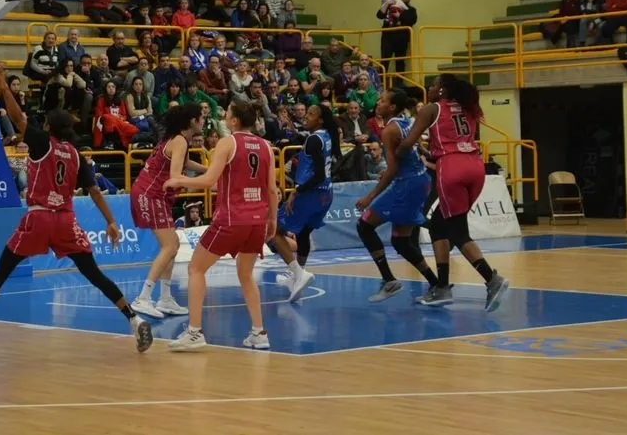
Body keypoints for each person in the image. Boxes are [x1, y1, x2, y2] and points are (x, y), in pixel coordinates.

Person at [0, 108, 153, 353]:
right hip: (65, 220)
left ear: (47, 127)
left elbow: (17, 117)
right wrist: (111, 221)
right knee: (94, 274)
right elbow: (94, 191)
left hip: (39, 217)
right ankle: (133, 319)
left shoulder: (43, 142)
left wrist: (2, 87)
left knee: (1, 272)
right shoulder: (75, 154)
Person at [164, 99, 278, 351]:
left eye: (227, 113)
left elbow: (208, 180)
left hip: (231, 218)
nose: (224, 116)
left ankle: (194, 332)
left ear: (234, 120)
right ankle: (259, 333)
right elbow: (272, 189)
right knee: (246, 275)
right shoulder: (266, 146)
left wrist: (179, 180)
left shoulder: (228, 142)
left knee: (195, 269)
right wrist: (273, 220)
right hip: (257, 219)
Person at [397, 74, 510, 311]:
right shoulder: (470, 107)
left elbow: (407, 143)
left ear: (442, 90)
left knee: (458, 232)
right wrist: (429, 153)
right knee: (440, 225)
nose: (431, 87)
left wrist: (396, 152)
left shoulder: (431, 109)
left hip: (452, 168)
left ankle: (492, 279)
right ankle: (442, 287)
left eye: (435, 84)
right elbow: (454, 139)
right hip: (475, 166)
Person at [354, 89, 440, 302]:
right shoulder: (405, 122)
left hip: (407, 185)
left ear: (391, 107)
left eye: (382, 100)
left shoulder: (390, 130)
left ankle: (390, 280)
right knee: (401, 241)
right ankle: (437, 284)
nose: (377, 102)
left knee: (364, 226)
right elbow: (414, 150)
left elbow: (392, 170)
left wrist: (370, 196)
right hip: (419, 181)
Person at [129, 103, 206, 318]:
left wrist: (209, 170)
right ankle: (143, 298)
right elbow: (175, 176)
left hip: (153, 194)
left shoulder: (179, 139)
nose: (203, 120)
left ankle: (164, 298)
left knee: (171, 245)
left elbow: (185, 162)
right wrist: (208, 181)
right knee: (170, 246)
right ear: (192, 121)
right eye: (200, 117)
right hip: (151, 193)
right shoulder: (180, 140)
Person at [269, 104, 339, 302]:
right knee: (303, 233)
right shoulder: (326, 136)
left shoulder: (314, 140)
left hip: (310, 194)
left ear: (321, 120)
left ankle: (298, 274)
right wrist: (294, 130)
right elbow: (311, 148)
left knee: (273, 230)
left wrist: (296, 192)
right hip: (326, 195)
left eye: (310, 114)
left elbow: (316, 175)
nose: (306, 116)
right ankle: (297, 274)